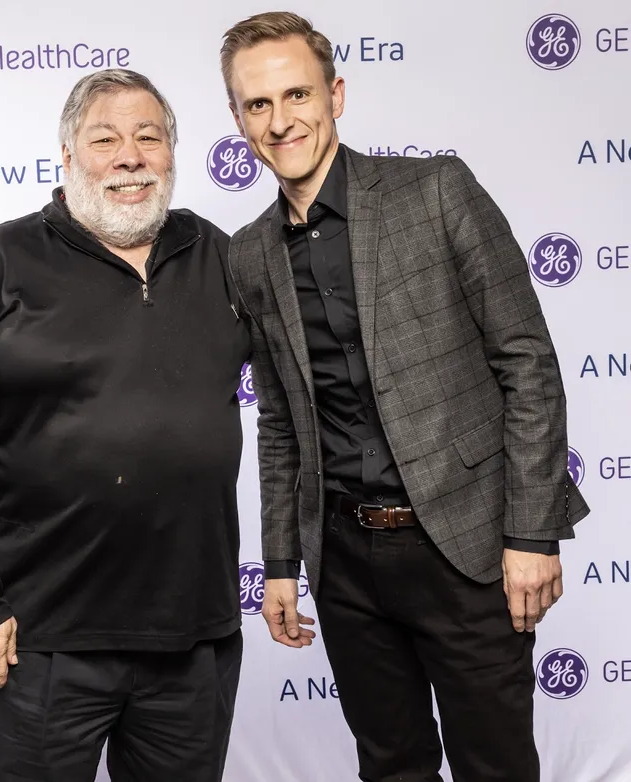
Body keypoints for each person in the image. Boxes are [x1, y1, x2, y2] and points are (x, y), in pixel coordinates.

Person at [220, 12, 589, 782]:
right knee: (391, 767)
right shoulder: (249, 253)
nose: (280, 121)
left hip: (466, 545)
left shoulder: (435, 191)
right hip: (345, 560)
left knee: (496, 767)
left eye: (297, 94)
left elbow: (527, 362)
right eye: (258, 104)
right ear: (239, 118)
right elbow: (280, 422)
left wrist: (532, 534)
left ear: (336, 95)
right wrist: (282, 561)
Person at [0, 68, 249, 782]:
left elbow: (294, 404)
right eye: (105, 139)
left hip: (194, 639)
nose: (130, 157)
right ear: (67, 155)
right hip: (41, 639)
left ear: (172, 153)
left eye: (148, 137)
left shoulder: (220, 255)